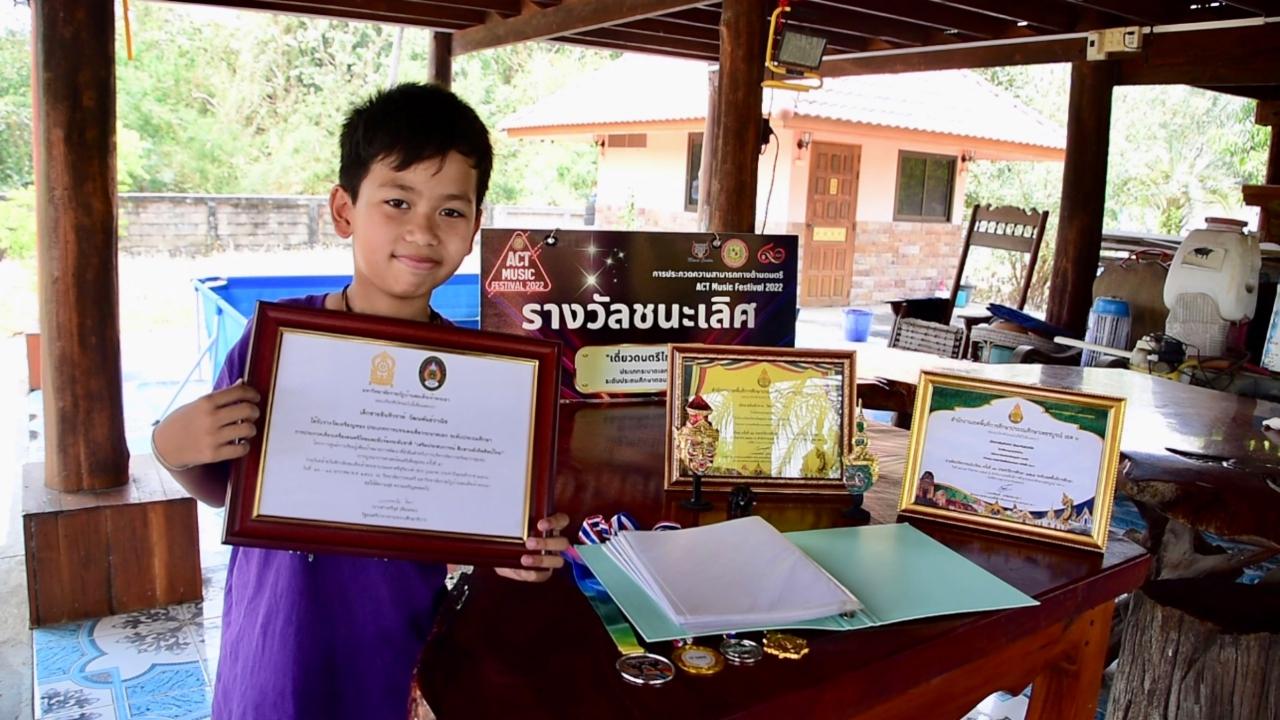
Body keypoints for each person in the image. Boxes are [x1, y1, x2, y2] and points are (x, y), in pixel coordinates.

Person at [150, 83, 569, 720]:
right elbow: (224, 490)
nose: (422, 230)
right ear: (344, 210)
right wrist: (171, 446)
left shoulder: (481, 379)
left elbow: (474, 523)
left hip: (399, 654)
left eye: (451, 211)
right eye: (397, 201)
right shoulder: (271, 346)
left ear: (475, 227)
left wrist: (518, 546)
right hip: (277, 651)